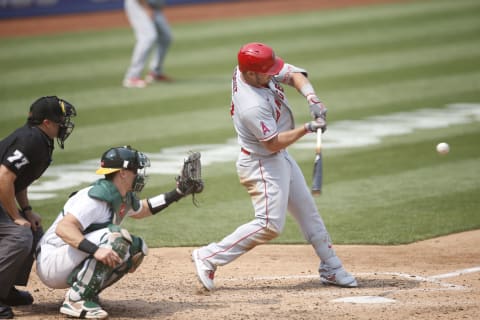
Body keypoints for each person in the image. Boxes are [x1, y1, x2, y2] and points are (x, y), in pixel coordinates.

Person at [192, 42, 357, 291]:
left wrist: (312, 98)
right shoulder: (251, 104)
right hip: (261, 163)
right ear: (250, 74)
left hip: (277, 158)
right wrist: (308, 128)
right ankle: (209, 256)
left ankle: (331, 268)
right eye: (267, 72)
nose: (273, 74)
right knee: (269, 224)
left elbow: (293, 75)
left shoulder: (250, 71)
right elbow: (271, 143)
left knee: (308, 213)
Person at [36, 146, 202, 319]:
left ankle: (88, 291)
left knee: (136, 248)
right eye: (135, 170)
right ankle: (76, 300)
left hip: (68, 258)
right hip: (52, 261)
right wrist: (96, 250)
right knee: (116, 238)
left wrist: (178, 193)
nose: (139, 175)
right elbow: (63, 228)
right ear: (122, 173)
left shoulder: (120, 195)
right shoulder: (94, 198)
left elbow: (143, 209)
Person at [0, 96, 77, 319]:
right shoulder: (31, 140)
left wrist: (27, 210)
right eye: (61, 120)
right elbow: (4, 177)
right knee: (20, 235)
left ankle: (5, 290)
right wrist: (15, 216)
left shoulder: (40, 139)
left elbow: (18, 181)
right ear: (46, 123)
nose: (64, 125)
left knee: (32, 229)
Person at [123, 0, 173, 88]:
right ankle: (131, 77)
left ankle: (155, 73)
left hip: (154, 6)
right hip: (139, 4)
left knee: (166, 37)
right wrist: (147, 8)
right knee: (148, 37)